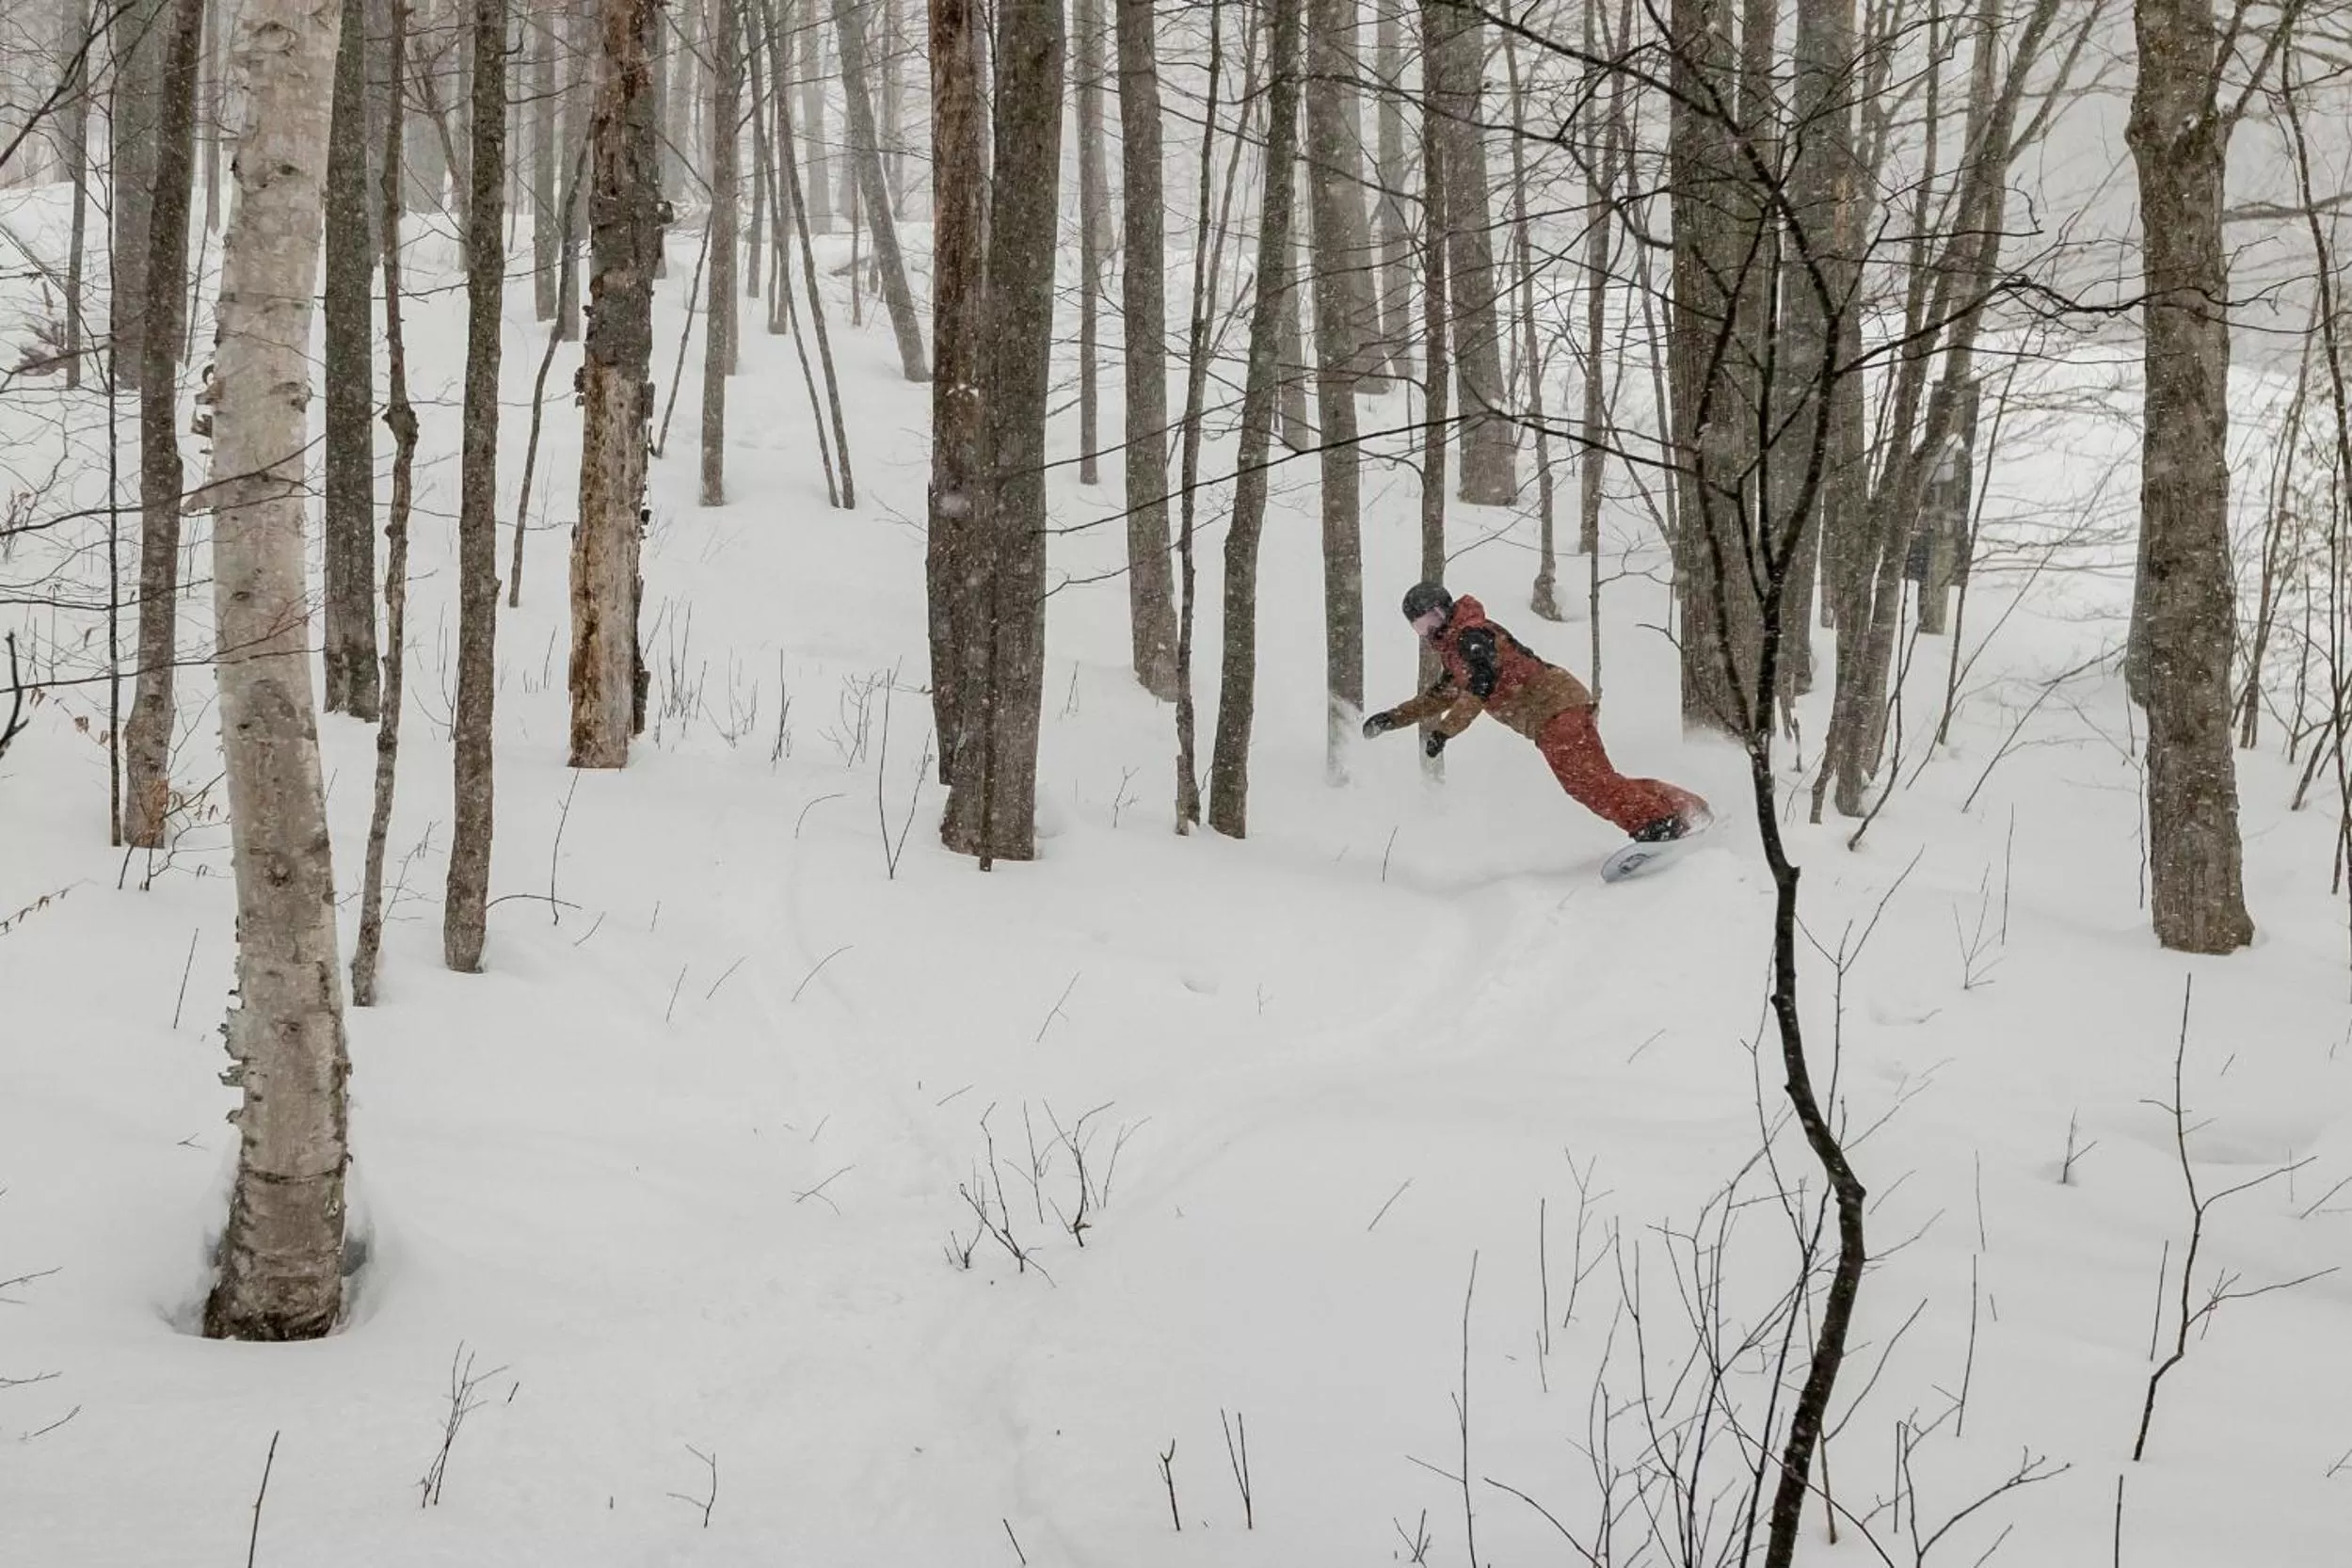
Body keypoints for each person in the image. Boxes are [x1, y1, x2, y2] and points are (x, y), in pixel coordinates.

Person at [1361, 582, 1710, 844]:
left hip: (1554, 707)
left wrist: (1445, 732)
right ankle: (1679, 807)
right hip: (1554, 711)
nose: (1429, 630)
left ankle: (1657, 824)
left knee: (1585, 782)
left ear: (1444, 609)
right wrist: (1391, 719)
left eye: (1431, 619)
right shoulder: (1456, 649)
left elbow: (1479, 689)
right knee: (1595, 779)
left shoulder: (1472, 637)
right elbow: (1440, 697)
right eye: (1420, 626)